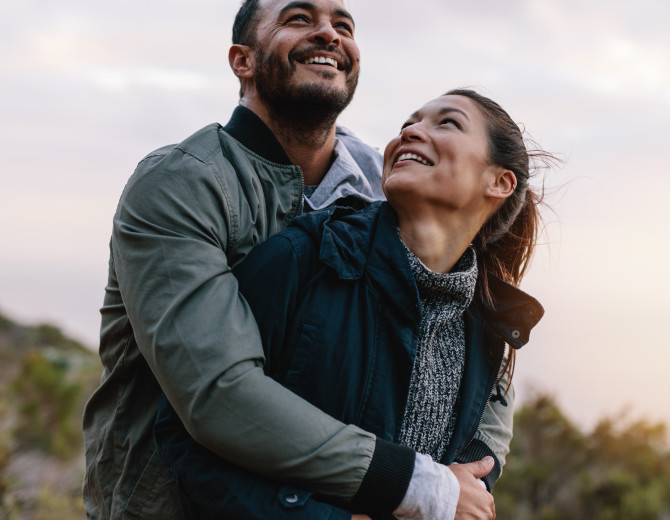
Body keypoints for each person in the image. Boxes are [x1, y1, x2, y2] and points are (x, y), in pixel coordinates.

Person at [81, 0, 515, 518]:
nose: (329, 34)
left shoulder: (393, 189)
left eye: (343, 25)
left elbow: (468, 331)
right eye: (298, 18)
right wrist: (418, 486)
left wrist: (466, 477)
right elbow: (220, 394)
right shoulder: (183, 184)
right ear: (242, 60)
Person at [154, 89, 551, 520]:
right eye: (408, 125)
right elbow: (184, 436)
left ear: (500, 182)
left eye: (447, 123)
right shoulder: (302, 258)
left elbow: (473, 473)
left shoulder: (491, 329)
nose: (412, 132)